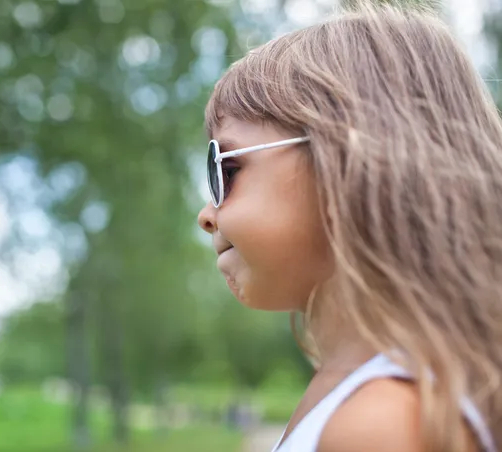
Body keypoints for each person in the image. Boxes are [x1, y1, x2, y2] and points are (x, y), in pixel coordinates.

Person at [196, 2, 502, 452]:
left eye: (225, 168)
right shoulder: (356, 394)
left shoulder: (385, 424)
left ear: (349, 163)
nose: (206, 213)